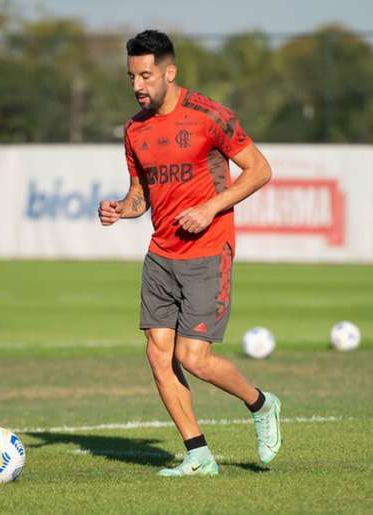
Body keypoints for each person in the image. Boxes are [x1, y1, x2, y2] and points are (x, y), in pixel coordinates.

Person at [98, 30, 280, 477]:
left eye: (146, 74)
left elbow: (259, 170)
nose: (138, 85)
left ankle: (261, 403)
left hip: (208, 251)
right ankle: (198, 453)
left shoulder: (209, 115)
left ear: (169, 71)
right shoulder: (134, 130)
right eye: (131, 76)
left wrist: (211, 206)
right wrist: (121, 209)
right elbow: (140, 196)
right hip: (161, 254)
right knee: (159, 355)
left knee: (192, 358)